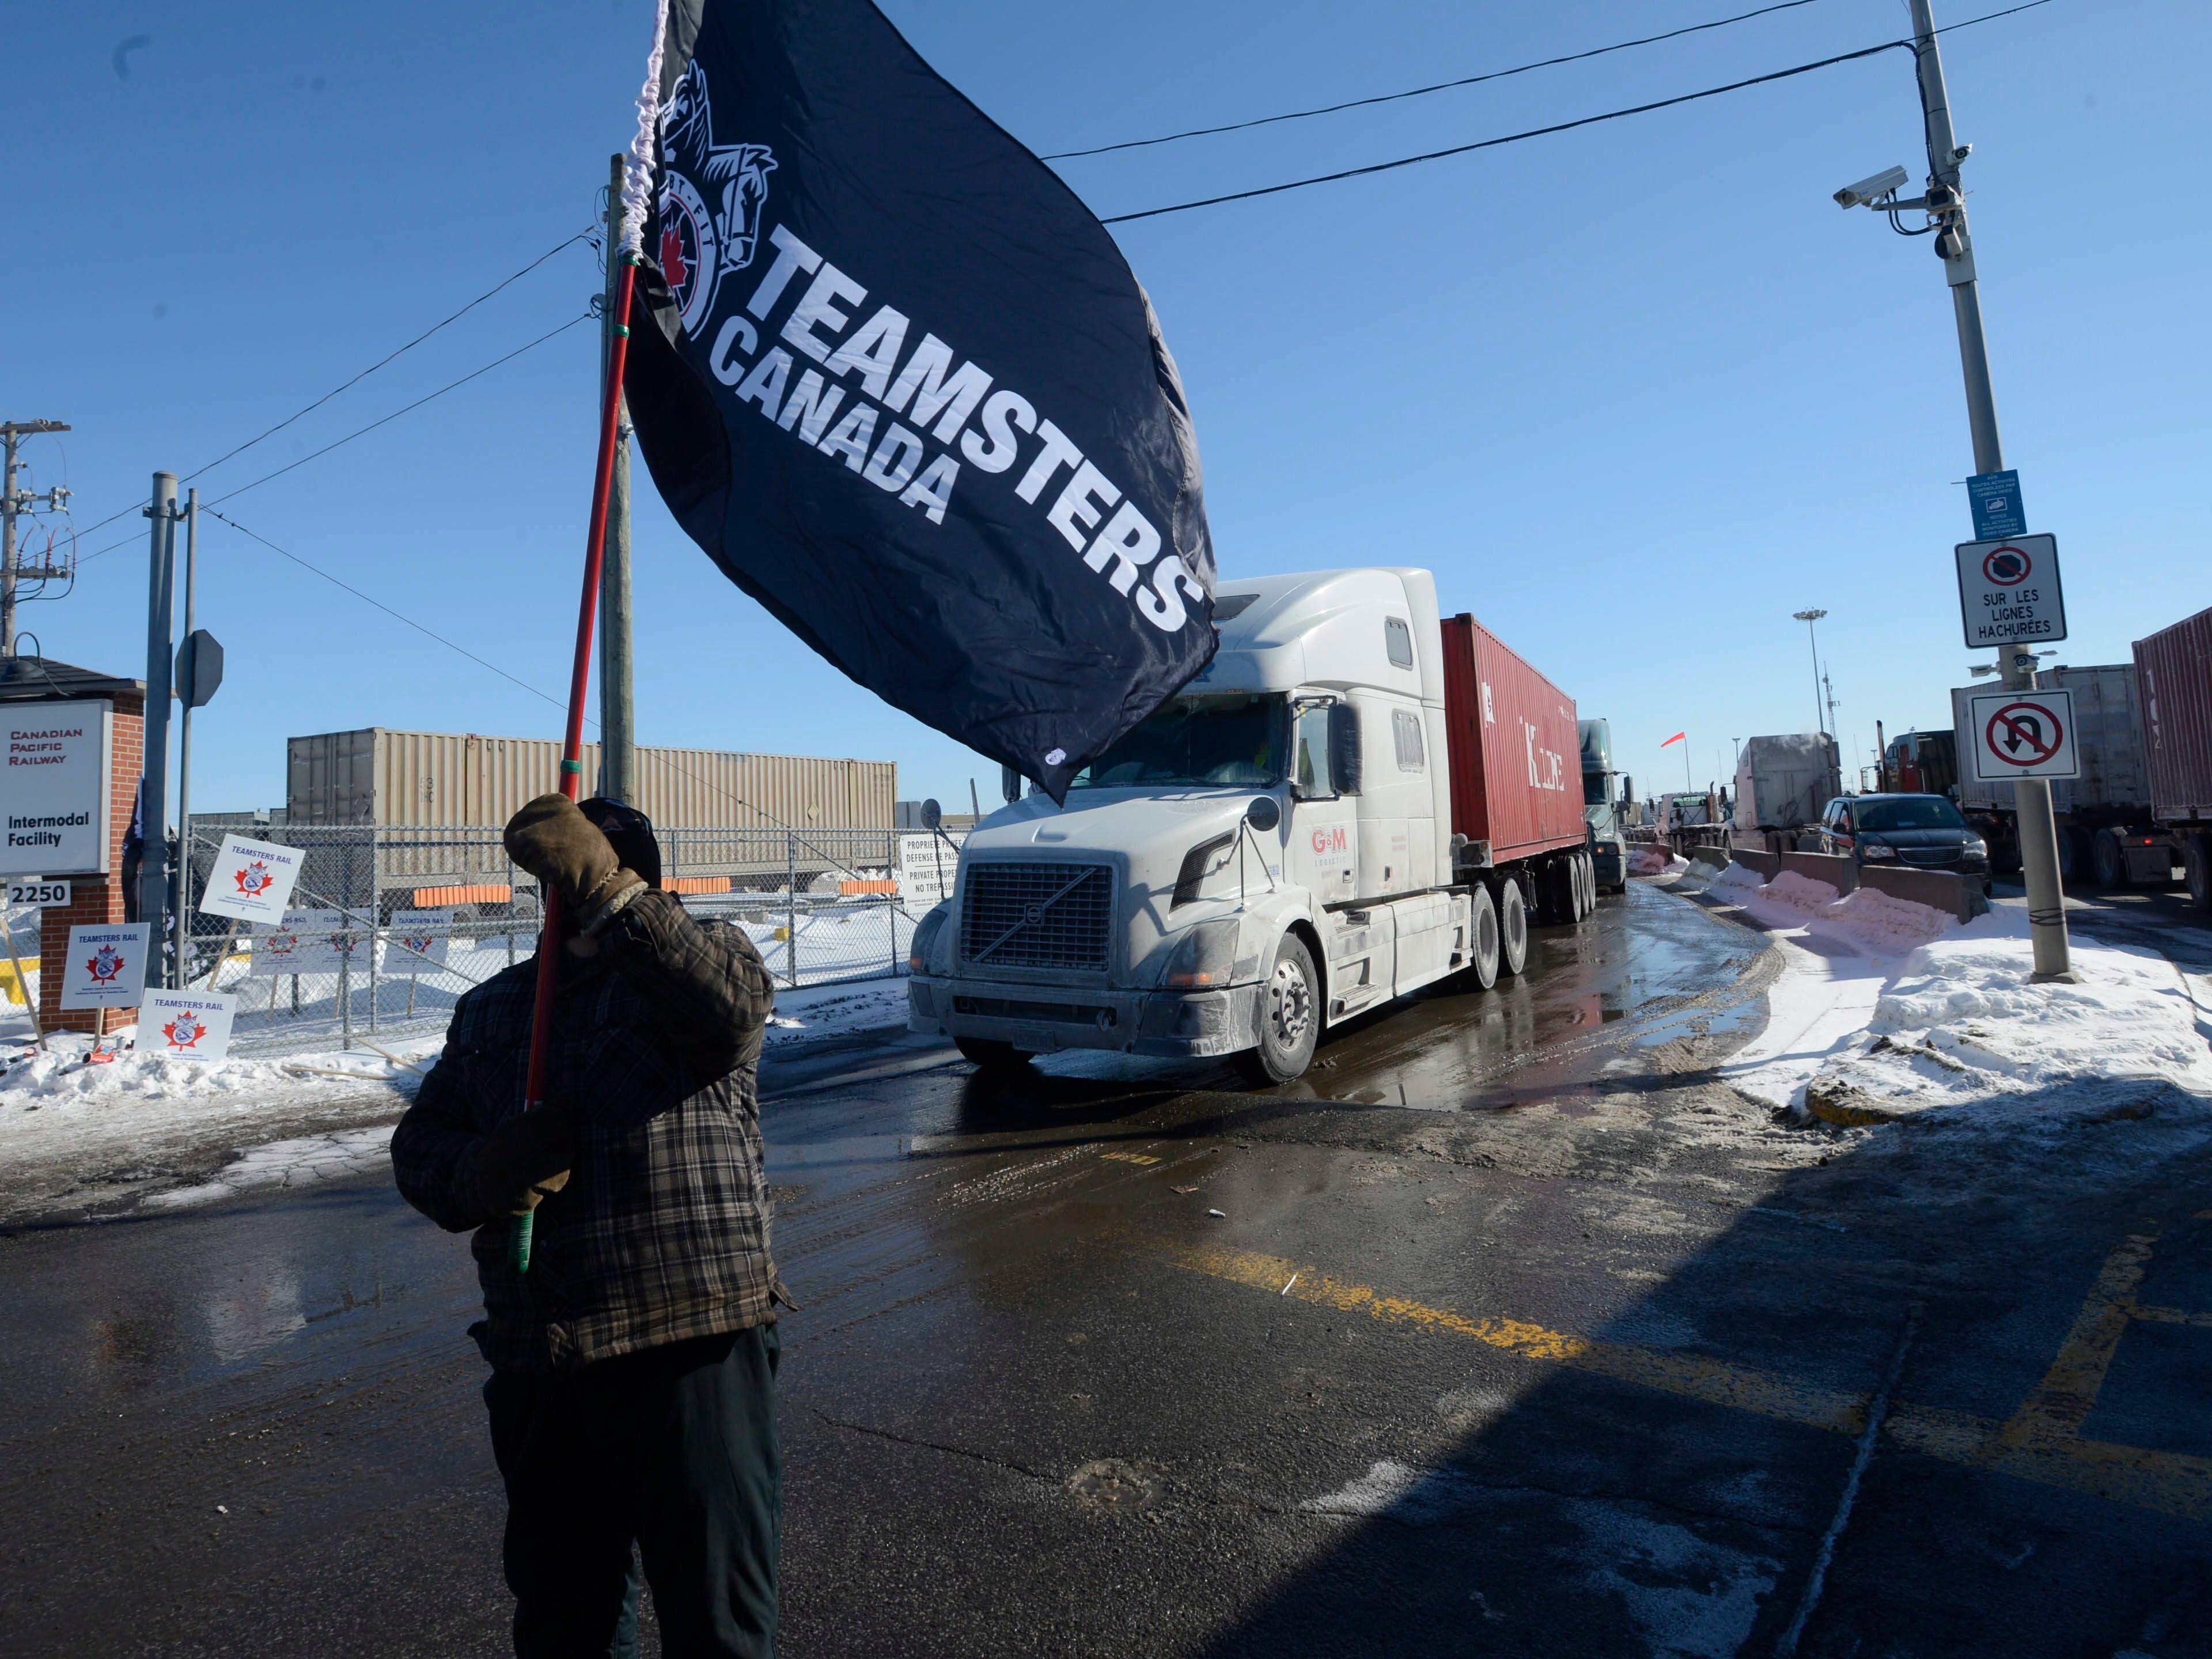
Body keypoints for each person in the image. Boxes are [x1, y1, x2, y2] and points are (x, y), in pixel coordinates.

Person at [392, 794, 785, 1658]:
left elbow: (730, 1014)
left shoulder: (709, 963)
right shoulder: (497, 1010)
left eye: (603, 864)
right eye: (572, 867)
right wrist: (481, 1172)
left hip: (689, 1347)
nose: (578, 884)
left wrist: (617, 899)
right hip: (544, 1359)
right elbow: (418, 1148)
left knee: (719, 1627)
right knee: (564, 1623)